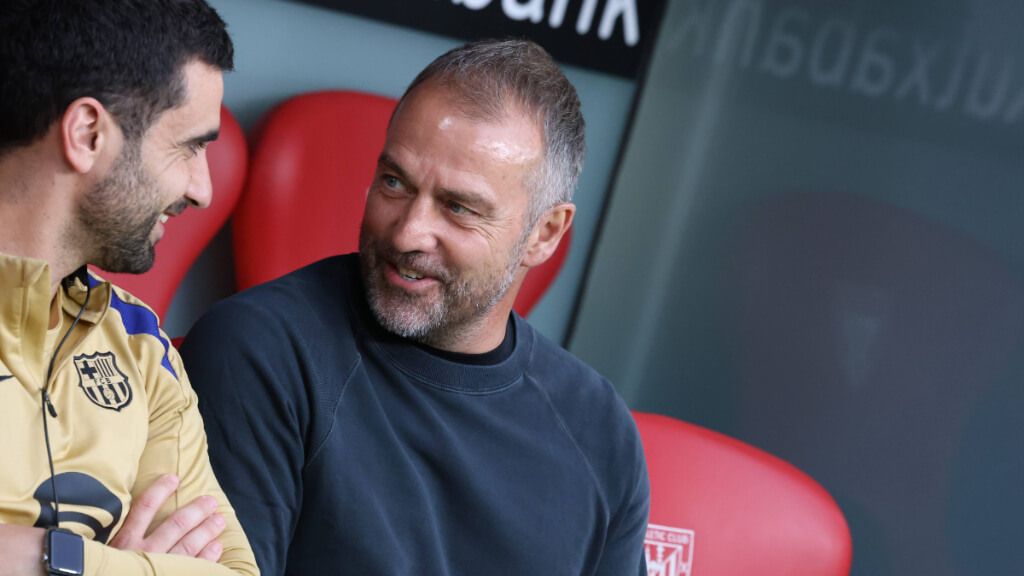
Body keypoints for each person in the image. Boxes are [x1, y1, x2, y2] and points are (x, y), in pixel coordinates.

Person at [182, 38, 650, 574]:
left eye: (458, 207)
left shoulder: (599, 429)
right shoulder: (261, 351)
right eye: (394, 182)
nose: (409, 232)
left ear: (544, 234)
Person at [0, 1, 258, 575]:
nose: (203, 189)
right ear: (88, 133)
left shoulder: (141, 343)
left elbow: (236, 572)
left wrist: (52, 560)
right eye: (189, 145)